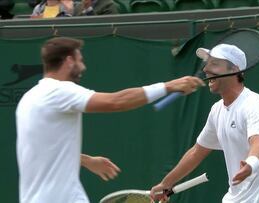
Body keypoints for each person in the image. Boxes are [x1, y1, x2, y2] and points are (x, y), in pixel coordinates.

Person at [16, 37, 204, 203]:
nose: (83, 67)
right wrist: (168, 86)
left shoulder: (29, 99)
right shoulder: (59, 91)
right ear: (69, 61)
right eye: (80, 60)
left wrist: (85, 160)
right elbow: (116, 102)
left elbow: (42, 147)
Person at [150, 44, 259, 203]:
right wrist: (166, 183)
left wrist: (250, 164)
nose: (206, 69)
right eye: (207, 64)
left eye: (214, 64)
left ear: (234, 69)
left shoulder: (256, 105)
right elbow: (196, 152)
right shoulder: (217, 111)